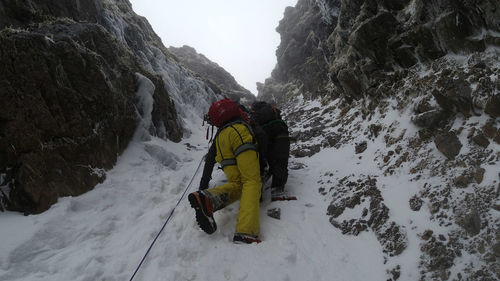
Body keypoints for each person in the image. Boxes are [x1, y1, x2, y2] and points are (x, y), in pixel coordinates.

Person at [188, 98, 262, 244]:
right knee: (251, 181)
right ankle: (246, 232)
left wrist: (204, 183)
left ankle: (207, 199)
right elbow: (261, 136)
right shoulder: (243, 122)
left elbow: (210, 158)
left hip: (222, 142)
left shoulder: (220, 131)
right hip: (239, 135)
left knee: (238, 184)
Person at [249, 101, 292, 201]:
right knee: (281, 160)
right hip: (282, 133)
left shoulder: (256, 114)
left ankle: (256, 193)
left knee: (262, 160)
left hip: (264, 135)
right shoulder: (273, 112)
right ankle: (277, 189)